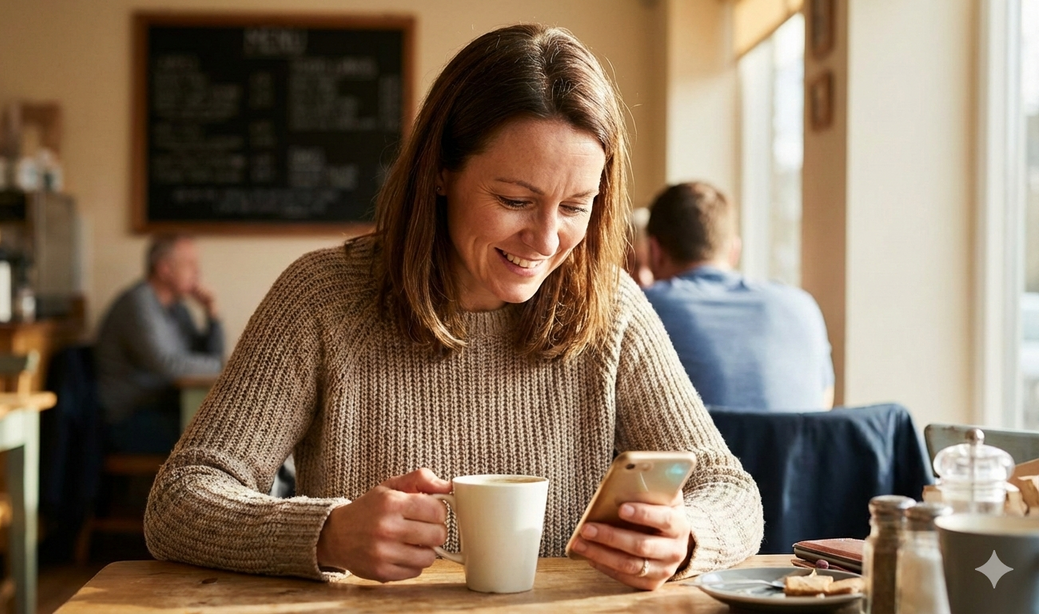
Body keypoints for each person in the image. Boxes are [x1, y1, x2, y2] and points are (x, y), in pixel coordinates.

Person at [144, 24, 762, 591]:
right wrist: (328, 532)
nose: (546, 241)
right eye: (516, 200)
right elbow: (178, 501)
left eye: (576, 207)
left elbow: (730, 491)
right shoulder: (322, 297)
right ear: (441, 172)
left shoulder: (611, 307)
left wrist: (685, 539)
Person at [643, 182, 834, 410]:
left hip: (700, 446)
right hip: (795, 447)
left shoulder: (643, 308)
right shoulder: (802, 306)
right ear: (734, 250)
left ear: (655, 252)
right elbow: (823, 403)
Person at [95, 234, 224, 454]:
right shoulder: (138, 303)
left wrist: (212, 315)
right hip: (130, 419)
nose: (197, 272)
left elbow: (206, 356)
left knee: (225, 427)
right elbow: (167, 366)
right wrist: (226, 366)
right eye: (190, 264)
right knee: (216, 438)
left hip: (164, 408)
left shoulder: (177, 309)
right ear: (164, 269)